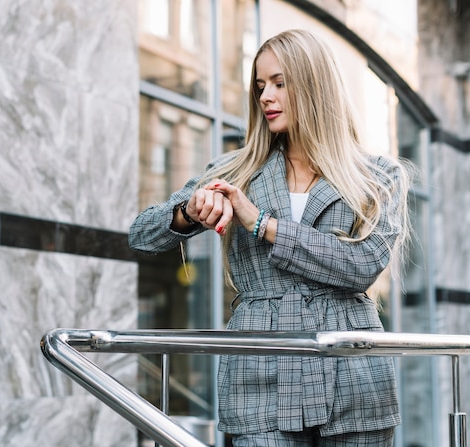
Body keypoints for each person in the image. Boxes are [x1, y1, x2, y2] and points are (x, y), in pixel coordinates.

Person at [129, 29, 411, 447]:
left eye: (279, 83)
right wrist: (190, 211)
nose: (265, 97)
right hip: (260, 369)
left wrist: (262, 224)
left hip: (353, 377)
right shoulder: (236, 170)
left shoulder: (376, 176)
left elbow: (362, 265)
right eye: (260, 86)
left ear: (315, 87)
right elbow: (141, 235)